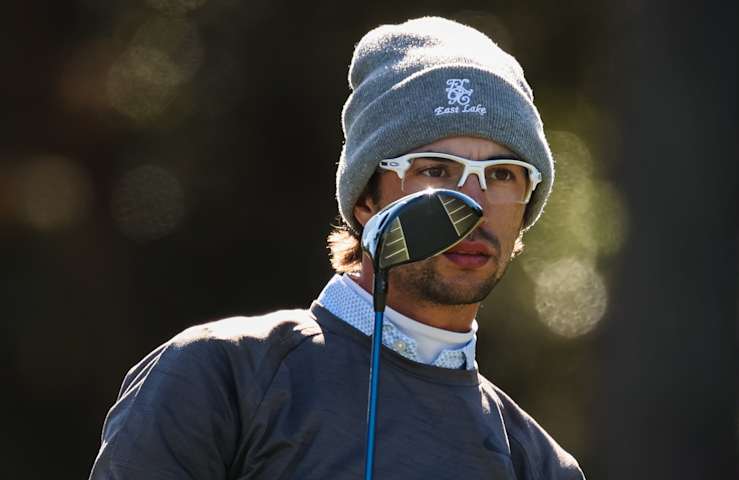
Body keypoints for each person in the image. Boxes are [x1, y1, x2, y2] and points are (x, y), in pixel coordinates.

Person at [90, 16, 585, 480]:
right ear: (366, 198)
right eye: (435, 170)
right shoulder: (219, 376)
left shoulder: (538, 464)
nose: (472, 204)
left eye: (502, 175)